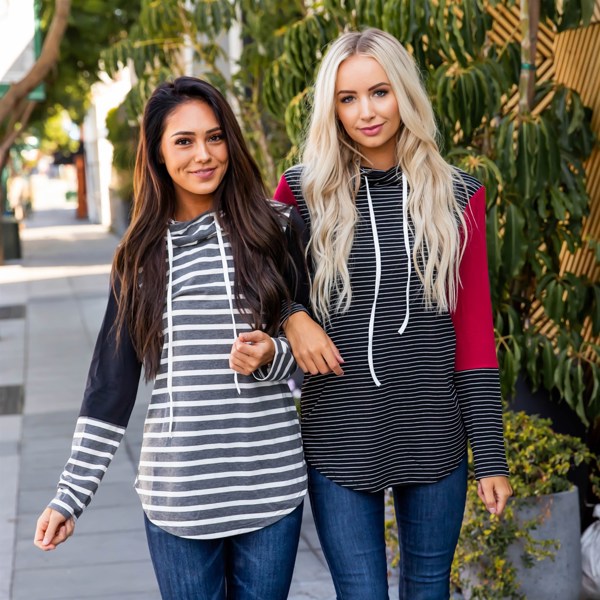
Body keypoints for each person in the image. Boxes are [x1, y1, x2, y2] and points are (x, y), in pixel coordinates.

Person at [34, 76, 308, 600]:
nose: (204, 154)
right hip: (178, 499)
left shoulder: (277, 229)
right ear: (159, 153)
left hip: (270, 489)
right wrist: (71, 495)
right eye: (184, 141)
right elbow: (110, 386)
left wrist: (272, 355)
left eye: (215, 137)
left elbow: (311, 350)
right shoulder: (139, 259)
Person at [274, 28, 513, 600]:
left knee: (428, 589)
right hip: (339, 429)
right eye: (348, 98)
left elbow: (474, 335)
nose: (366, 112)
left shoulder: (459, 196)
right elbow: (262, 285)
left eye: (379, 92)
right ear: (331, 107)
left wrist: (491, 456)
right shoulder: (300, 192)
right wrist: (293, 316)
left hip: (433, 427)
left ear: (404, 92)